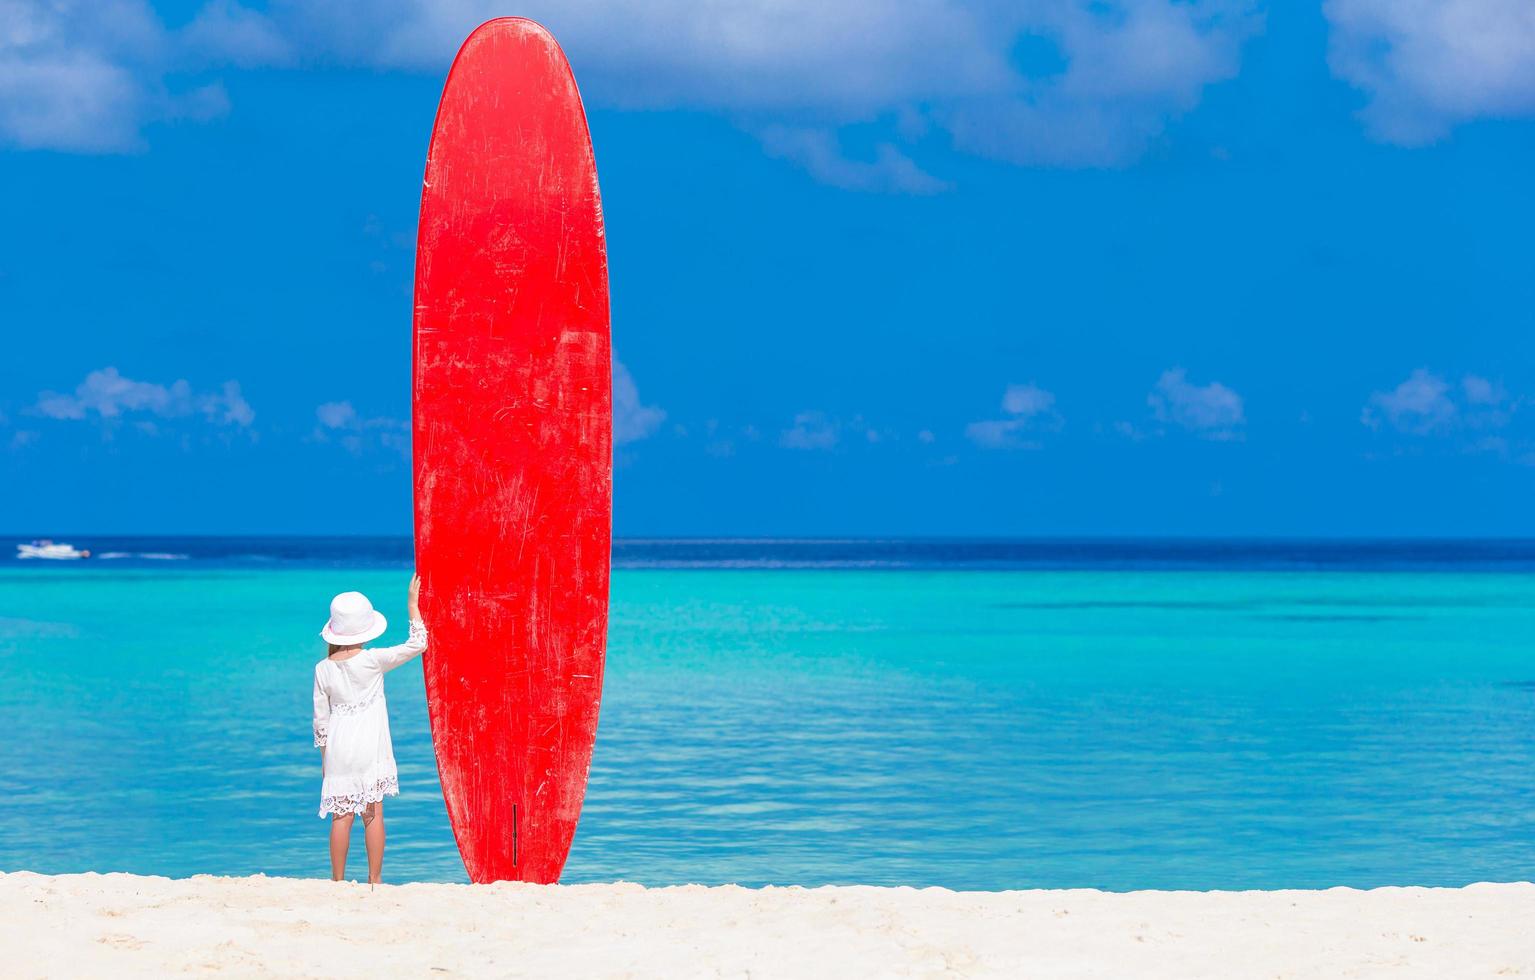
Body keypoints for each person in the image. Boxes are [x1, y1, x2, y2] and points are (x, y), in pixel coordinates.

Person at [312, 573, 428, 883]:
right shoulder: (373, 660)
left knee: (341, 816)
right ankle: (374, 880)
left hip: (337, 748)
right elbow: (418, 644)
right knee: (372, 812)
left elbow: (321, 722)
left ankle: (337, 882)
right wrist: (412, 604)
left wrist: (325, 760)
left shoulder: (322, 669)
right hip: (369, 745)